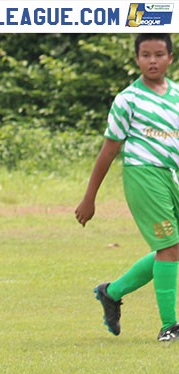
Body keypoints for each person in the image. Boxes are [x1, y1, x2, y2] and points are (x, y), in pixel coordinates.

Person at [77, 33, 179, 341]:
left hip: (172, 175)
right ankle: (169, 327)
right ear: (136, 59)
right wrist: (89, 198)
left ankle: (112, 292)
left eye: (159, 54)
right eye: (145, 54)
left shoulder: (177, 95)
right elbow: (108, 151)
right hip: (143, 176)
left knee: (173, 249)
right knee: (168, 247)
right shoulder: (127, 100)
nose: (152, 60)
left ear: (170, 58)